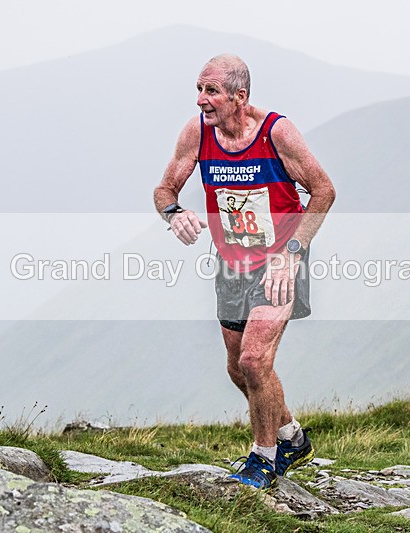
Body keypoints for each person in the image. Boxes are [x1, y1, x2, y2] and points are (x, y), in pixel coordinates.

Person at [153, 54, 335, 489]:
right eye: (198, 89)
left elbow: (324, 191)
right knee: (239, 368)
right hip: (232, 263)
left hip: (280, 261)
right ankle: (290, 435)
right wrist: (173, 212)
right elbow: (164, 189)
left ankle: (263, 458)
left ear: (240, 96)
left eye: (211, 91)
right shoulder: (197, 133)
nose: (201, 100)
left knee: (255, 359)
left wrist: (293, 253)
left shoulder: (277, 133)